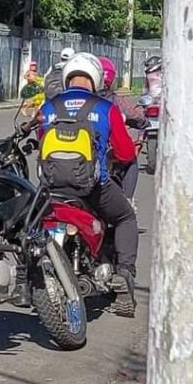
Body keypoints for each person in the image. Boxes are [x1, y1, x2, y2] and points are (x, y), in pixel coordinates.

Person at [37, 52, 138, 316]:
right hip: (95, 188)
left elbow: (40, 142)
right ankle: (125, 281)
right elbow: (127, 154)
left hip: (52, 189)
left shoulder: (48, 107)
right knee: (126, 216)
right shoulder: (105, 108)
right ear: (96, 79)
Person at [97, 56, 144, 201]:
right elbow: (137, 117)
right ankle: (127, 200)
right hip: (104, 151)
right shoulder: (116, 101)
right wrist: (143, 121)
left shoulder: (78, 99)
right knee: (131, 160)